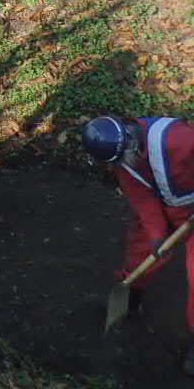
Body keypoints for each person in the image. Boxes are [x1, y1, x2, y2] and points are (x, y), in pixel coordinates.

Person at [82, 114, 194, 377]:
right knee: (139, 253)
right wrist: (157, 236)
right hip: (167, 208)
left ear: (131, 139)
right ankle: (130, 294)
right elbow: (142, 198)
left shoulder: (180, 141)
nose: (122, 166)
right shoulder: (121, 159)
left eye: (123, 159)